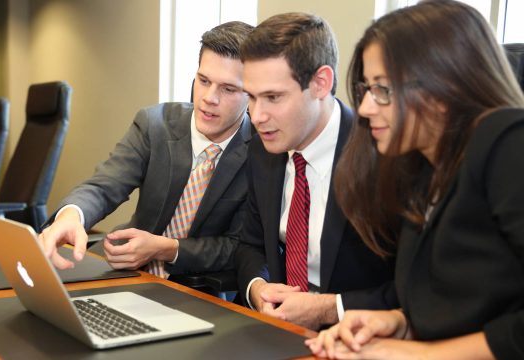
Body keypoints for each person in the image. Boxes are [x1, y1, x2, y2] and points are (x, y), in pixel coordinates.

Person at [307, 1, 524, 359]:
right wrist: (399, 322)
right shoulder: (424, 172)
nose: (364, 108)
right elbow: (469, 306)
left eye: (384, 90)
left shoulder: (507, 140)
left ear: (445, 85)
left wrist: (417, 354)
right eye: (367, 89)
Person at [40, 21, 254, 280]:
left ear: (251, 94)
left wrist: (166, 249)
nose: (209, 97)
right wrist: (71, 215)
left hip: (202, 288)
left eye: (228, 89)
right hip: (130, 270)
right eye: (203, 80)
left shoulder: (261, 151)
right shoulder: (155, 124)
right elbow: (104, 186)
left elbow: (241, 248)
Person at [234, 12, 396, 331]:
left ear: (320, 83)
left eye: (273, 97)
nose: (256, 115)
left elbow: (411, 287)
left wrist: (329, 308)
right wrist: (258, 288)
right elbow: (250, 244)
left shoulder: (382, 155)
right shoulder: (261, 150)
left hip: (362, 337)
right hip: (279, 333)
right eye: (251, 97)